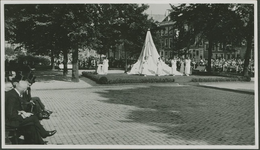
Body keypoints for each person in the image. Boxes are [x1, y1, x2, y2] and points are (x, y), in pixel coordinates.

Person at [5, 80, 57, 144]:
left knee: (31, 125)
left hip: (10, 119)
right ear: (24, 89)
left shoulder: (13, 93)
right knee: (33, 118)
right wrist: (22, 115)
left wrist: (22, 112)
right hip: (9, 122)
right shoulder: (12, 96)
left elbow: (13, 109)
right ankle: (43, 134)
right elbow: (10, 114)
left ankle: (39, 142)